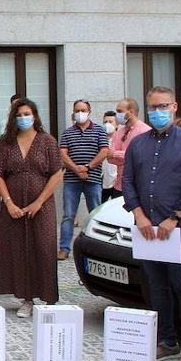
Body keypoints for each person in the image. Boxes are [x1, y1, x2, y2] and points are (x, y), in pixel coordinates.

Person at [122, 86, 181, 361]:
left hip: (177, 228)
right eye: (152, 107)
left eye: (162, 106)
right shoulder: (139, 144)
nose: (157, 112)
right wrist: (139, 216)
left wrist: (174, 217)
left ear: (174, 106)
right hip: (146, 228)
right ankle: (167, 339)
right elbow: (129, 181)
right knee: (157, 287)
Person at [0, 98, 63, 318]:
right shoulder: (6, 142)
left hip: (41, 204)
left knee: (44, 247)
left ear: (35, 115)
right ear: (13, 117)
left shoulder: (47, 141)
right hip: (13, 205)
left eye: (27, 114)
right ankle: (26, 298)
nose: (23, 118)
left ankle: (48, 297)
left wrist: (39, 201)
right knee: (18, 249)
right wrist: (9, 203)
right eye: (19, 114)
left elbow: (57, 173)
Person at [57, 100, 110, 261]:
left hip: (92, 178)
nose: (80, 113)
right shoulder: (67, 133)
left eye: (83, 110)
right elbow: (63, 154)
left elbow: (104, 152)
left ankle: (98, 247)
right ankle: (64, 248)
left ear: (89, 111)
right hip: (72, 180)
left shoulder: (99, 131)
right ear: (73, 113)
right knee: (68, 215)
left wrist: (87, 167)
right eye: (77, 110)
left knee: (95, 213)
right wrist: (76, 169)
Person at [109, 97, 151, 202]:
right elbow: (110, 158)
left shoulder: (145, 131)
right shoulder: (119, 131)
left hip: (137, 187)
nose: (117, 115)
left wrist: (116, 154)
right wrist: (121, 156)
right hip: (119, 186)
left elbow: (140, 157)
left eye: (119, 111)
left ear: (131, 112)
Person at [100, 111, 120, 202]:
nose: (107, 124)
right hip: (101, 181)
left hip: (117, 182)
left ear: (117, 124)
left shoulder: (121, 140)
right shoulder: (99, 140)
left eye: (110, 122)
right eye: (105, 122)